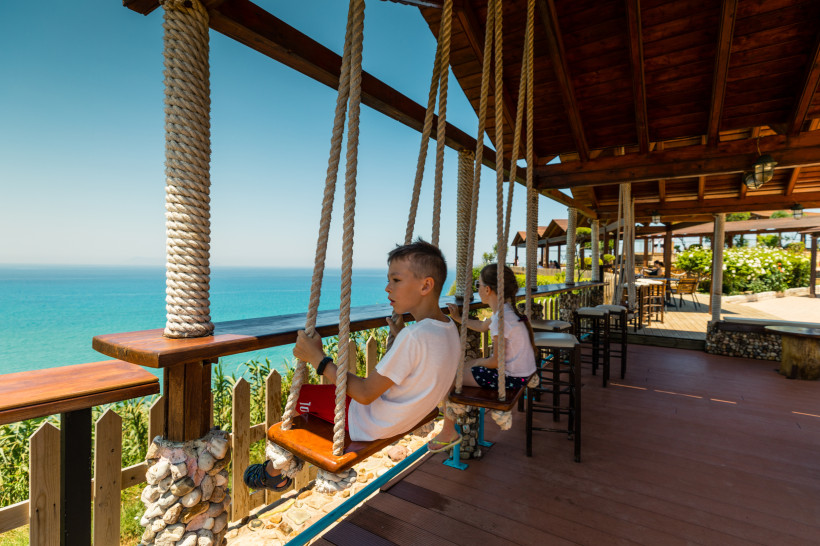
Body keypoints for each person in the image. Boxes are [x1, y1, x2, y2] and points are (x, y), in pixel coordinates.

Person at [243, 239, 461, 491]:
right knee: (317, 400)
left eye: (396, 280)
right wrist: (400, 334)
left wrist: (317, 358)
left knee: (300, 398)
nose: (387, 288)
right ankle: (280, 468)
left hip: (370, 421)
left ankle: (273, 474)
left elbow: (366, 394)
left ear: (426, 285)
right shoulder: (447, 328)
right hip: (404, 417)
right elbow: (421, 366)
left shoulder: (414, 337)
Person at [427, 263, 537, 452]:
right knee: (459, 371)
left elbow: (495, 362)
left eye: (478, 285)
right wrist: (460, 319)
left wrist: (474, 362)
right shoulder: (505, 312)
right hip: (522, 374)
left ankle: (447, 431)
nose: (477, 289)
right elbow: (482, 326)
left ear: (487, 289)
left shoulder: (500, 319)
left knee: (450, 378)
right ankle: (445, 415)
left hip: (511, 379)